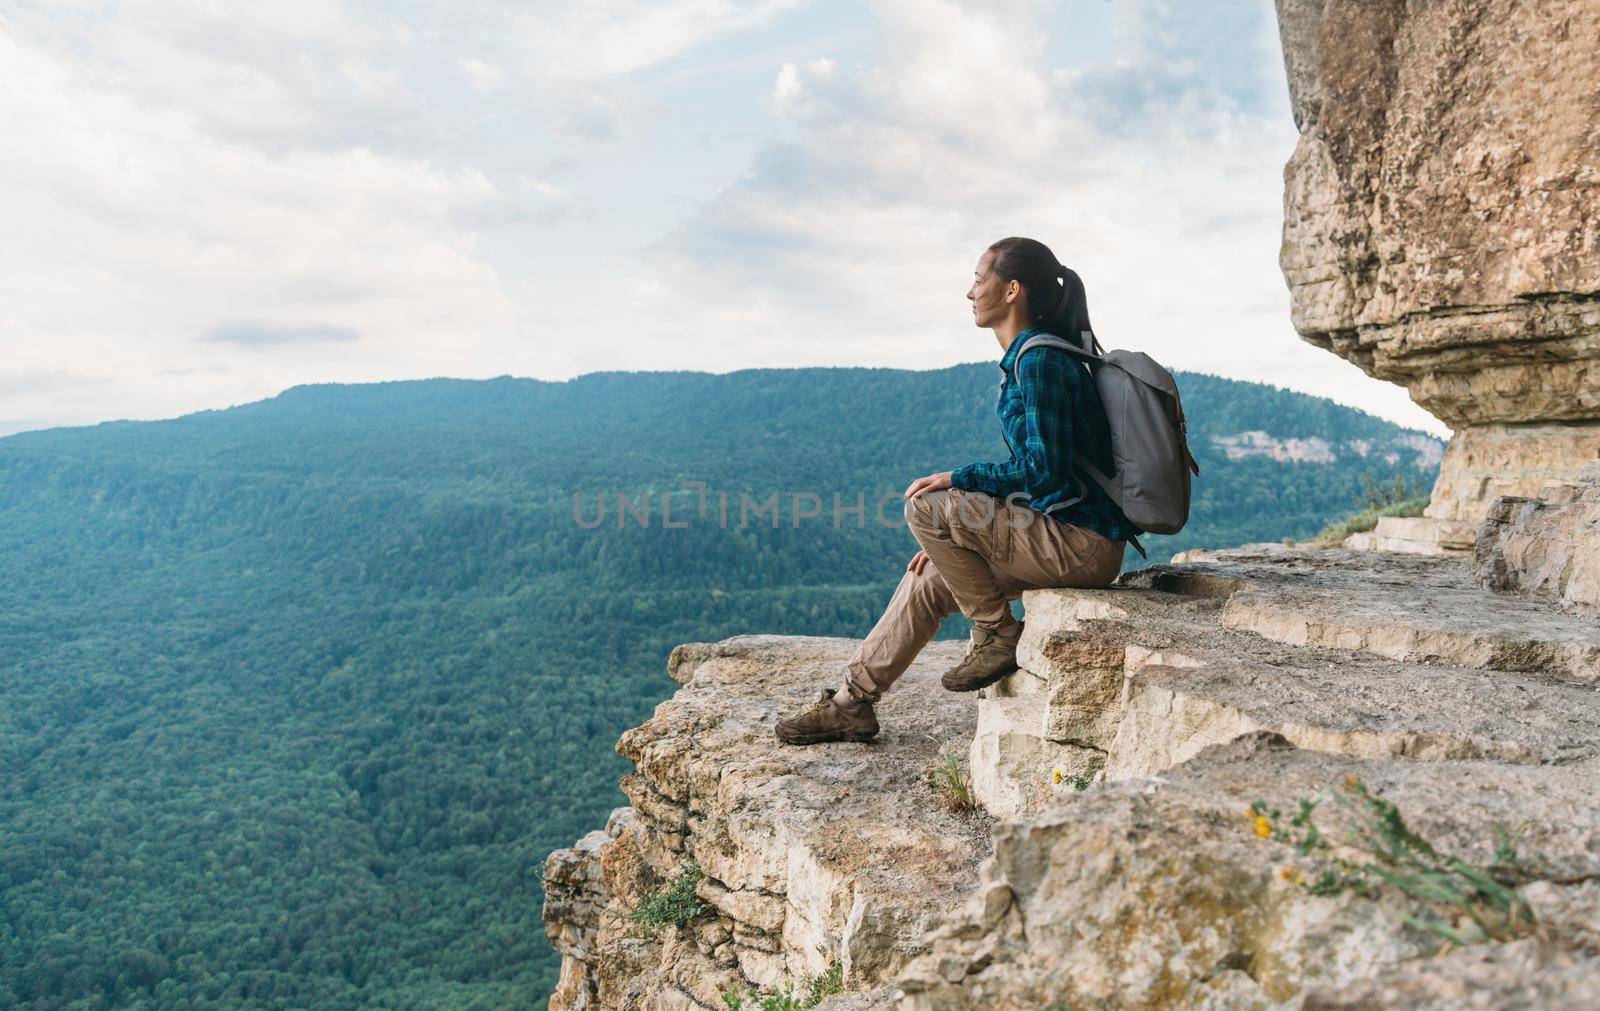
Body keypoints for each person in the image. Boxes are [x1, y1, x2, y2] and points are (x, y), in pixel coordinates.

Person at [775, 236, 1137, 745]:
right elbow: (1052, 476)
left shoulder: (1040, 363)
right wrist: (953, 548)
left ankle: (996, 634)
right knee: (927, 578)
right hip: (1059, 535)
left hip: (1082, 545)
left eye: (977, 279)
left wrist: (960, 480)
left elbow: (1045, 472)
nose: (970, 293)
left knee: (926, 504)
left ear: (1011, 289)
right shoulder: (1030, 359)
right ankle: (850, 704)